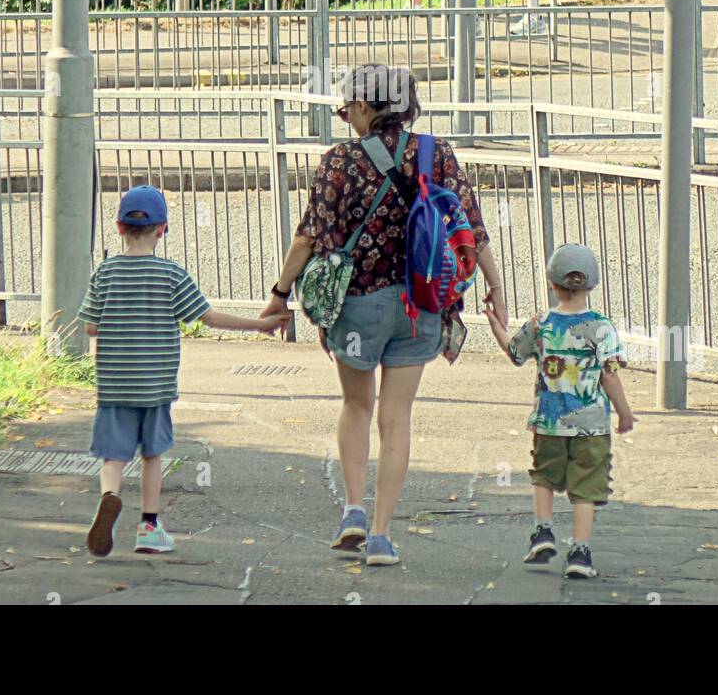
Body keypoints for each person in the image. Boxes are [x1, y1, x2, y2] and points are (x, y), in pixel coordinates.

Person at [259, 64, 508, 567]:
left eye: (349, 106)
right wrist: (496, 289)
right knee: (396, 420)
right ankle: (380, 535)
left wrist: (279, 295)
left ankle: (352, 509)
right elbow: (471, 229)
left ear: (370, 106)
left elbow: (308, 238)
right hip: (420, 306)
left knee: (357, 406)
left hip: (357, 306)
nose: (346, 115)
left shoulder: (339, 161)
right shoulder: (436, 154)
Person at [82, 185, 288, 558]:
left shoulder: (105, 272)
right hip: (156, 385)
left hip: (114, 385)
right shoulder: (171, 274)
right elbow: (208, 317)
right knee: (152, 455)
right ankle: (149, 527)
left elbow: (90, 327)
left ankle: (109, 496)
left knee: (113, 456)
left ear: (118, 227)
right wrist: (260, 325)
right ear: (163, 229)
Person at [484, 243, 636, 579]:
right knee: (586, 489)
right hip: (591, 428)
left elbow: (513, 351)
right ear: (592, 285)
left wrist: (495, 322)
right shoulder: (602, 327)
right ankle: (580, 553)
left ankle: (543, 531)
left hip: (548, 424)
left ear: (552, 284)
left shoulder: (540, 324)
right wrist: (624, 413)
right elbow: (610, 375)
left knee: (543, 476)